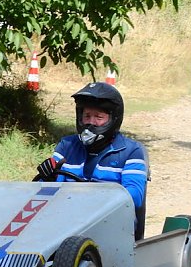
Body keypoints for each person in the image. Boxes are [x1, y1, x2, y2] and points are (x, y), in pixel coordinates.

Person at [35, 81, 149, 239]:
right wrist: (48, 178)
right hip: (66, 224)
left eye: (99, 117)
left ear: (113, 119)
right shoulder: (67, 145)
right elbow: (47, 193)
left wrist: (92, 197)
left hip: (113, 228)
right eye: (87, 116)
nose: (91, 122)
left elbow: (134, 196)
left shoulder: (131, 151)